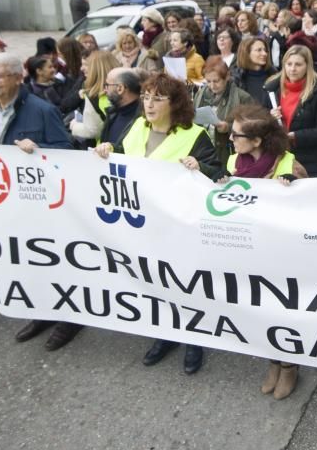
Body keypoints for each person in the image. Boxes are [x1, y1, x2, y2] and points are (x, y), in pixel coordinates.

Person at [93, 73, 225, 374]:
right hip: (143, 225)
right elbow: (122, 155)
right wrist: (108, 151)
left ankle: (194, 339)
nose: (149, 104)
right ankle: (165, 335)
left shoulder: (193, 135)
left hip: (179, 226)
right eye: (146, 97)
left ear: (175, 103)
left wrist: (201, 166)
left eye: (158, 98)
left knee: (185, 284)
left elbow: (217, 173)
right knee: (156, 283)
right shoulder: (137, 126)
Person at [0, 53, 77, 350]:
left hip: (41, 205)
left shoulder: (42, 111)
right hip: (6, 205)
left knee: (55, 262)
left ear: (18, 78)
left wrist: (40, 149)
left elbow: (66, 153)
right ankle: (41, 312)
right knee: (27, 263)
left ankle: (70, 317)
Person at [224, 103, 306, 399]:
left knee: (282, 311)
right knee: (260, 310)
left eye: (236, 135)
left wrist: (296, 187)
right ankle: (273, 361)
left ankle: (289, 365)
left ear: (257, 140)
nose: (230, 139)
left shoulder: (288, 165)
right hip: (249, 252)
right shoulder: (235, 163)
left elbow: (308, 211)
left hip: (281, 256)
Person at [262, 46, 317, 177]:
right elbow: (260, 122)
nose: (292, 69)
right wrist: (269, 117)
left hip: (308, 160)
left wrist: (295, 136)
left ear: (307, 66)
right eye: (289, 64)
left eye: (298, 64)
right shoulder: (271, 88)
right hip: (277, 157)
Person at [195, 56, 253, 166]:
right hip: (203, 152)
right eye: (208, 81)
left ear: (227, 77)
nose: (212, 86)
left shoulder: (242, 97)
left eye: (216, 81)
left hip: (228, 153)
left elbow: (252, 128)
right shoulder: (200, 94)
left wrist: (228, 127)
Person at [69, 51, 120, 144]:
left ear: (96, 69)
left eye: (87, 65)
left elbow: (91, 131)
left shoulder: (93, 96)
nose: (82, 68)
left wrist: (74, 125)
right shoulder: (125, 90)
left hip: (105, 149)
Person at [100, 67, 142, 146]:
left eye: (107, 85)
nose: (105, 90)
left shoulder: (143, 118)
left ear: (120, 88)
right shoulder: (113, 113)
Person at [234, 36, 274, 103]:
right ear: (246, 53)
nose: (264, 54)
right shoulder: (236, 78)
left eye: (265, 50)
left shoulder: (273, 76)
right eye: (259, 50)